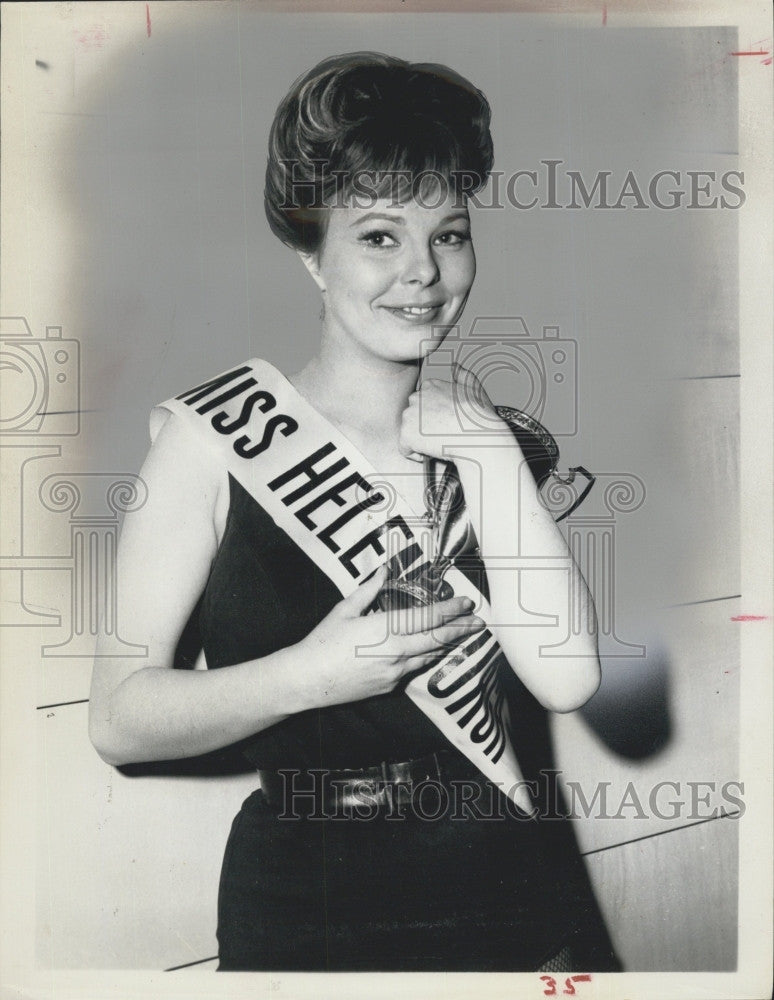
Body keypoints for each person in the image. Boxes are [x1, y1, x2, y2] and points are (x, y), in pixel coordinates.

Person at [88, 51, 619, 973]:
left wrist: (489, 448)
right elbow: (118, 718)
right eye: (379, 236)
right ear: (310, 254)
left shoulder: (488, 444)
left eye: (448, 235)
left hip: (501, 881)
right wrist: (311, 673)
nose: (423, 272)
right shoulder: (211, 441)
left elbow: (568, 680)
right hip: (305, 897)